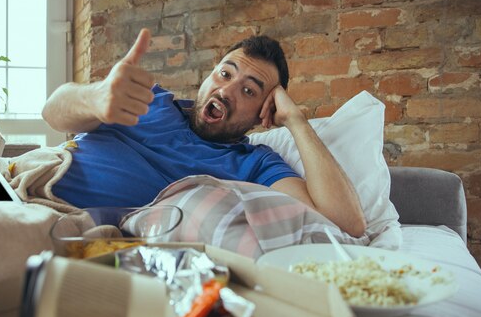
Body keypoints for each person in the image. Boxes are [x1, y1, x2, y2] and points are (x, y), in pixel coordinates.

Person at [43, 28, 366, 237]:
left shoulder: (255, 163)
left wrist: (296, 120)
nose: (226, 90)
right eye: (224, 73)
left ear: (262, 114)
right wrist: (95, 98)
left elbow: (345, 224)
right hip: (32, 183)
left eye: (250, 92)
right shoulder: (150, 100)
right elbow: (52, 113)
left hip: (68, 226)